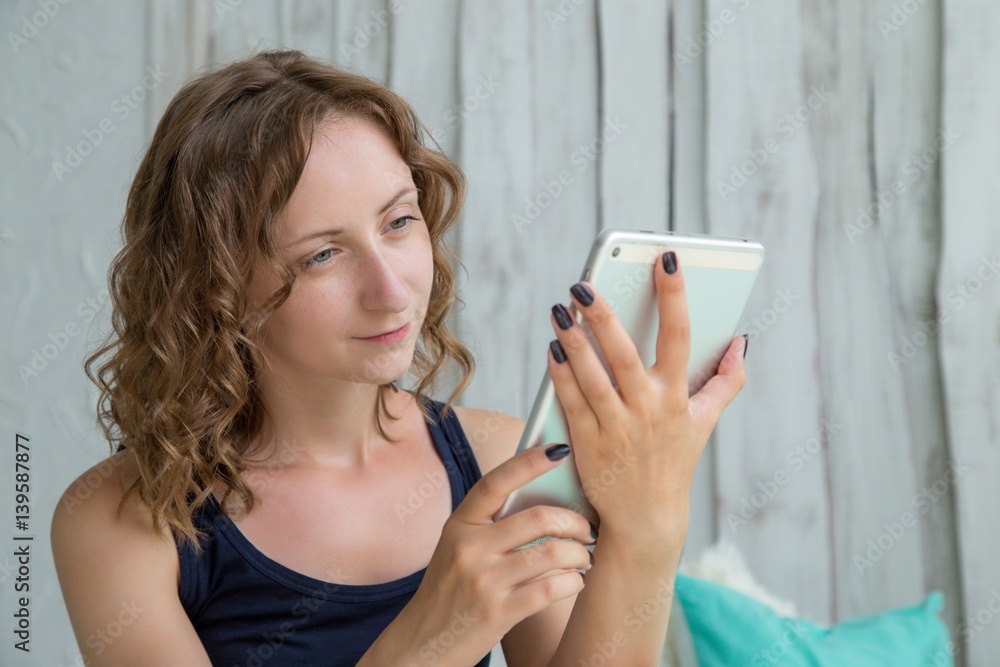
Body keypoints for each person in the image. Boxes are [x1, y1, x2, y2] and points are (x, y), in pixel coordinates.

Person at [50, 48, 748, 666]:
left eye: (399, 221)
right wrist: (432, 637)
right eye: (322, 255)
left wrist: (649, 526)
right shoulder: (120, 520)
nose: (391, 292)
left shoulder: (501, 461)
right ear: (217, 287)